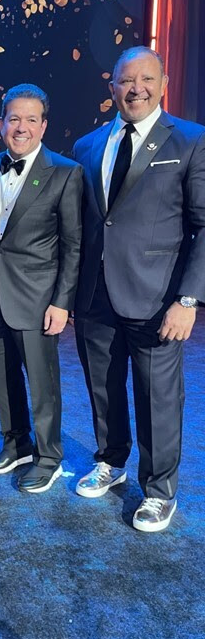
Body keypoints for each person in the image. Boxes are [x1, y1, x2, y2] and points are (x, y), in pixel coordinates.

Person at [73, 46, 205, 532]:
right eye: (126, 81)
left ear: (164, 83)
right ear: (112, 89)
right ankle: (111, 461)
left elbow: (204, 225)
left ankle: (158, 490)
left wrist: (188, 299)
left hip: (158, 298)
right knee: (103, 389)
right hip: (96, 295)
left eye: (146, 79)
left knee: (158, 397)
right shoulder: (88, 146)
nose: (136, 89)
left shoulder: (191, 140)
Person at [0, 84, 82, 492]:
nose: (22, 127)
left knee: (42, 383)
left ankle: (49, 456)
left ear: (44, 126)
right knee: (2, 379)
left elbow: (73, 245)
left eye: (31, 120)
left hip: (39, 301)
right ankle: (16, 443)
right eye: (14, 118)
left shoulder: (66, 172)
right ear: (1, 123)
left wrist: (62, 302)